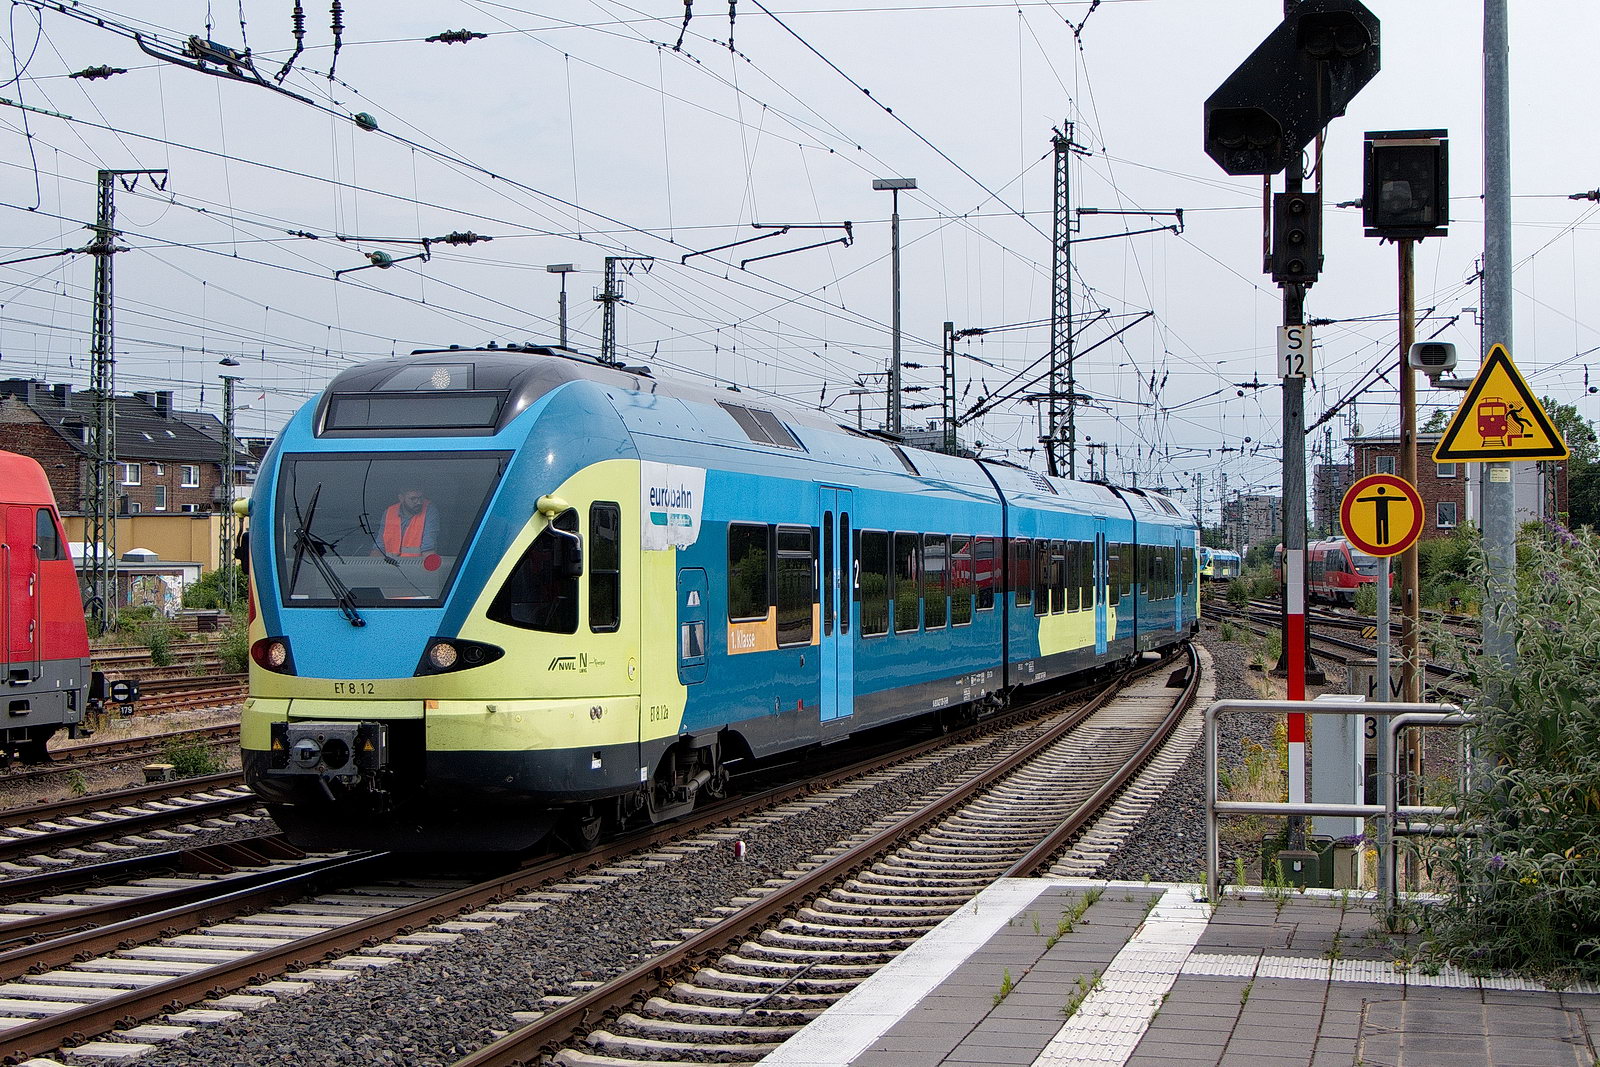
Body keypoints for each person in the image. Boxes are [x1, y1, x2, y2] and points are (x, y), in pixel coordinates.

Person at [376, 485, 440, 557]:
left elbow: (428, 549)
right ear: (401, 498)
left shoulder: (429, 510)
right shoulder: (389, 512)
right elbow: (378, 548)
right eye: (413, 498)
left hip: (417, 563)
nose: (419, 502)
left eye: (421, 498)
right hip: (390, 563)